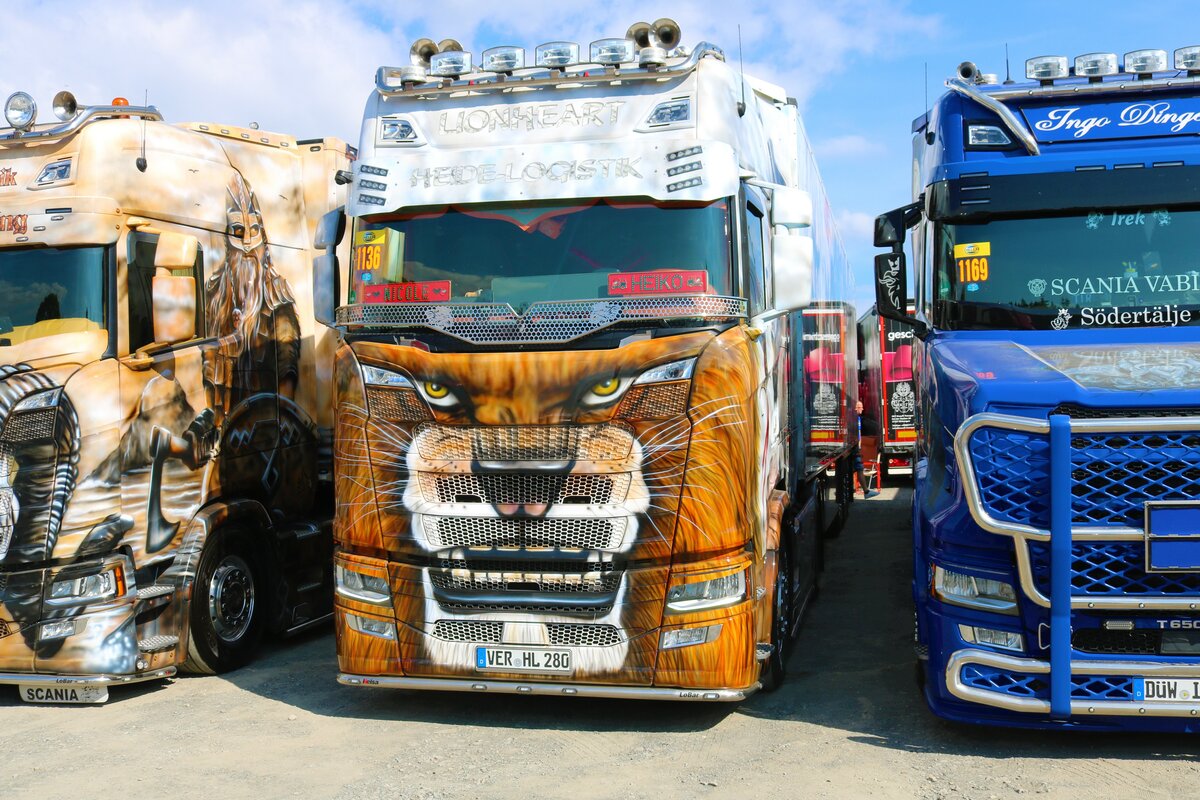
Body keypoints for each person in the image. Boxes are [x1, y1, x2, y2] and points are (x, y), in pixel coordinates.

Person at [854, 399, 880, 499]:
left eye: (862, 407)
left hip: (857, 448)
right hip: (854, 448)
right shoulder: (854, 420)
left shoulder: (859, 419)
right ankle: (866, 491)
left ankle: (865, 491)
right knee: (859, 468)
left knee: (859, 468)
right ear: (855, 408)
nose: (861, 409)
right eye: (859, 407)